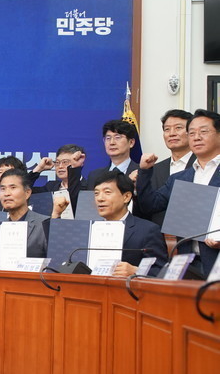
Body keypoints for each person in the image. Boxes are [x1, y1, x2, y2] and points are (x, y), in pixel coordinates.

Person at [137, 109, 220, 276]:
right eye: (192, 133)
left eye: (203, 132)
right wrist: (144, 172)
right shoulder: (181, 177)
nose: (196, 137)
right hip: (188, 262)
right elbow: (150, 205)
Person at [53, 171, 167, 277]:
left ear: (126, 197)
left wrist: (136, 271)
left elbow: (162, 272)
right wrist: (56, 214)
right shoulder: (88, 230)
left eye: (107, 192)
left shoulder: (147, 230)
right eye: (96, 193)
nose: (100, 198)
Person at [149, 109, 196, 225]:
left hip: (194, 231)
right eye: (167, 129)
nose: (172, 133)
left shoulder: (202, 165)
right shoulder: (154, 169)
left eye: (178, 128)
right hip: (158, 233)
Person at [0, 168, 48, 258]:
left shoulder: (44, 224)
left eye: (13, 188)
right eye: (3, 189)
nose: (6, 193)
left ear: (27, 193)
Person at [28, 145, 87, 215]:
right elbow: (24, 192)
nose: (60, 166)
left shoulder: (89, 187)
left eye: (65, 162)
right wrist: (39, 169)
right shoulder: (50, 187)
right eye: (57, 162)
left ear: (80, 162)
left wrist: (74, 170)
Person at [85, 120, 139, 189]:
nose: (112, 142)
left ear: (131, 142)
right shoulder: (94, 176)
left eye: (117, 137)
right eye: (108, 138)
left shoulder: (141, 174)